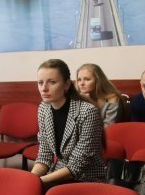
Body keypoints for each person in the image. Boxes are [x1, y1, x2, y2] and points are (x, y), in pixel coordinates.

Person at [32, 59, 105, 187]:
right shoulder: (43, 108)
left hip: (86, 179)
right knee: (26, 191)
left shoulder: (88, 112)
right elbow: (44, 156)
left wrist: (38, 181)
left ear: (66, 84)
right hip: (59, 173)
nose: (44, 88)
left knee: (36, 190)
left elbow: (76, 166)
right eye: (40, 82)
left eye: (52, 82)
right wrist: (30, 179)